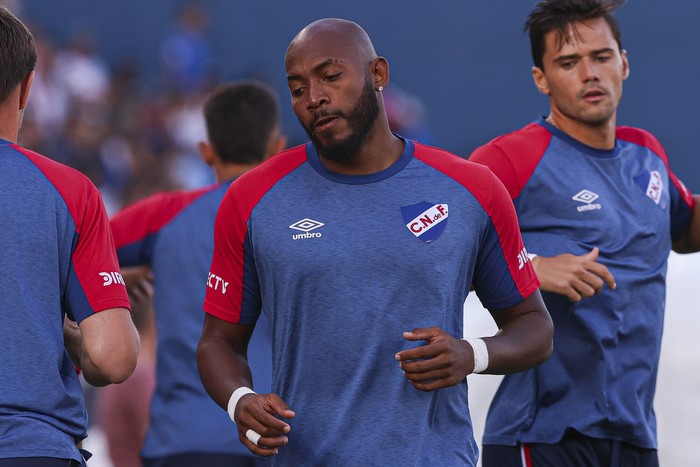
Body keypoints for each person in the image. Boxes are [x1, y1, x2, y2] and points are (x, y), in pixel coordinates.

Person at [197, 18, 553, 466]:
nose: (315, 99)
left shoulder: (471, 189)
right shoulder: (251, 199)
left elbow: (535, 328)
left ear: (378, 74)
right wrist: (240, 401)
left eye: (330, 76)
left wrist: (472, 353)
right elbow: (217, 343)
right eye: (297, 88)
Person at [468, 1, 700, 465]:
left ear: (624, 62)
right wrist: (530, 269)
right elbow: (436, 250)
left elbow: (686, 229)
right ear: (541, 79)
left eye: (601, 56)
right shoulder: (509, 158)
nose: (589, 73)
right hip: (539, 436)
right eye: (569, 63)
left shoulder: (647, 153)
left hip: (634, 436)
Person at [110, 80, 285, 467]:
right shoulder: (301, 223)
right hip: (280, 437)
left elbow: (75, 248)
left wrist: (115, 280)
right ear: (277, 148)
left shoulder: (163, 216)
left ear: (206, 152)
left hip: (184, 441)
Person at [0, 5, 140, 467]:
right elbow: (114, 357)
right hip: (32, 449)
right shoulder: (69, 191)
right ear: (27, 89)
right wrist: (61, 334)